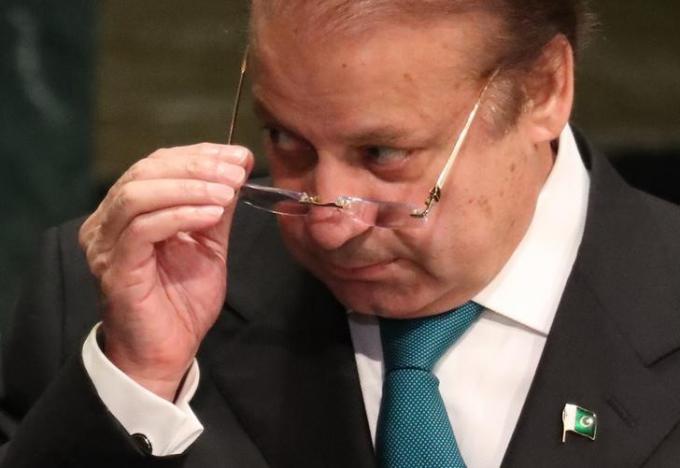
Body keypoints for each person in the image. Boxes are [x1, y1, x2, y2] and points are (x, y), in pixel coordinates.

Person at [2, 1, 680, 467]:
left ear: (543, 91)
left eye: (383, 155)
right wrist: (138, 381)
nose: (328, 223)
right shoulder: (111, 302)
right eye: (286, 140)